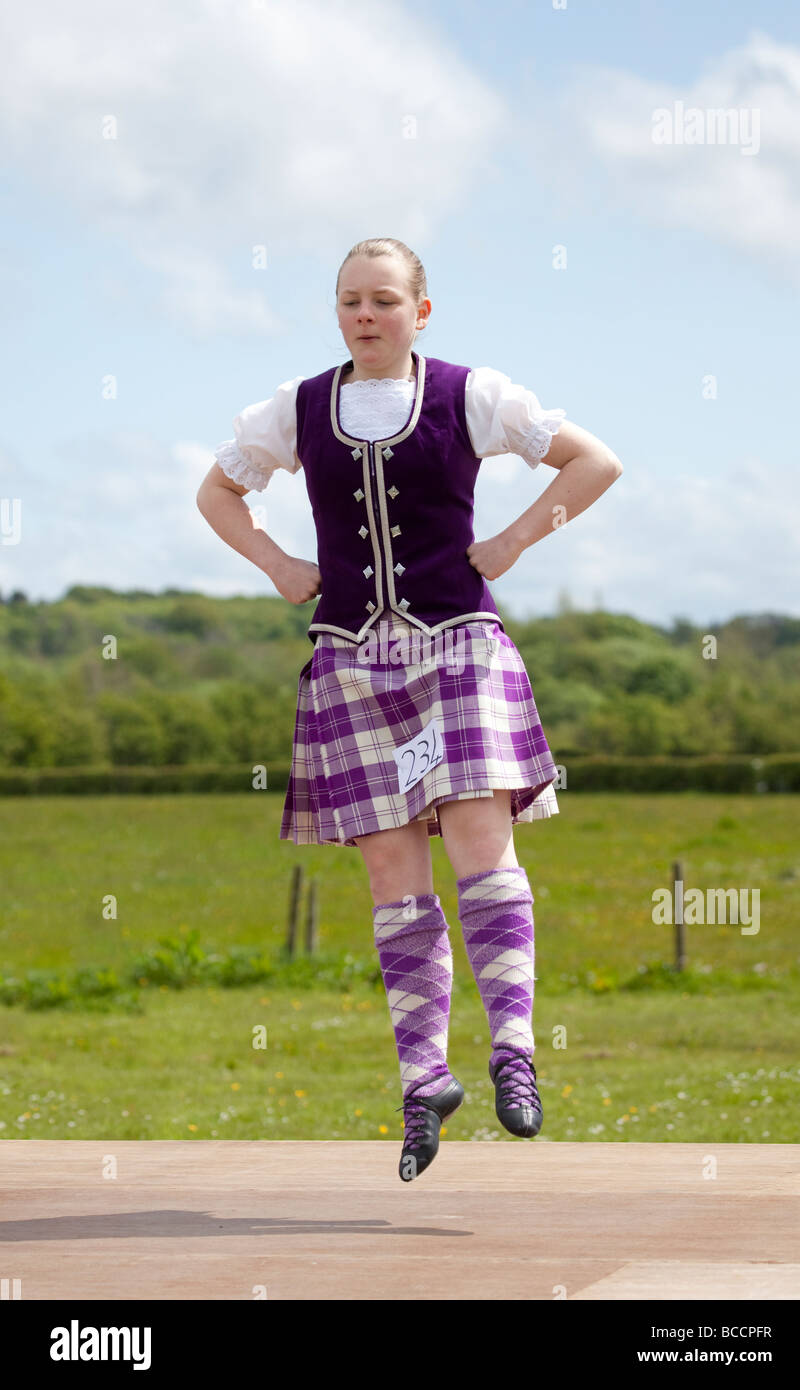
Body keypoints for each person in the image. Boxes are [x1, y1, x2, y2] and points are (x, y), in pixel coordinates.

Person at [196, 237, 623, 1183]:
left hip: (457, 642)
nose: (364, 315)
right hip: (350, 656)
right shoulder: (298, 407)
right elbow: (217, 491)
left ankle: (514, 1053)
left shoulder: (469, 394)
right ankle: (423, 1080)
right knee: (393, 871)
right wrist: (277, 565)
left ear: (420, 311)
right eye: (350, 300)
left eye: (384, 300)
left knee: (479, 839)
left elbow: (593, 463)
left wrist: (511, 540)